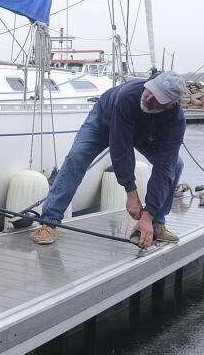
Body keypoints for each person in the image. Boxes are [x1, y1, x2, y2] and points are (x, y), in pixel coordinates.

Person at [31, 71, 187, 248]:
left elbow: (164, 168)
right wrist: (131, 193)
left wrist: (148, 214)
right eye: (150, 90)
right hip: (104, 121)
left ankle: (156, 223)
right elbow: (121, 148)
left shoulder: (176, 122)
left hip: (147, 131)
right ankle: (49, 221)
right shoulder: (128, 96)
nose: (149, 97)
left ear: (170, 105)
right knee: (77, 158)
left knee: (176, 165)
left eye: (157, 97)